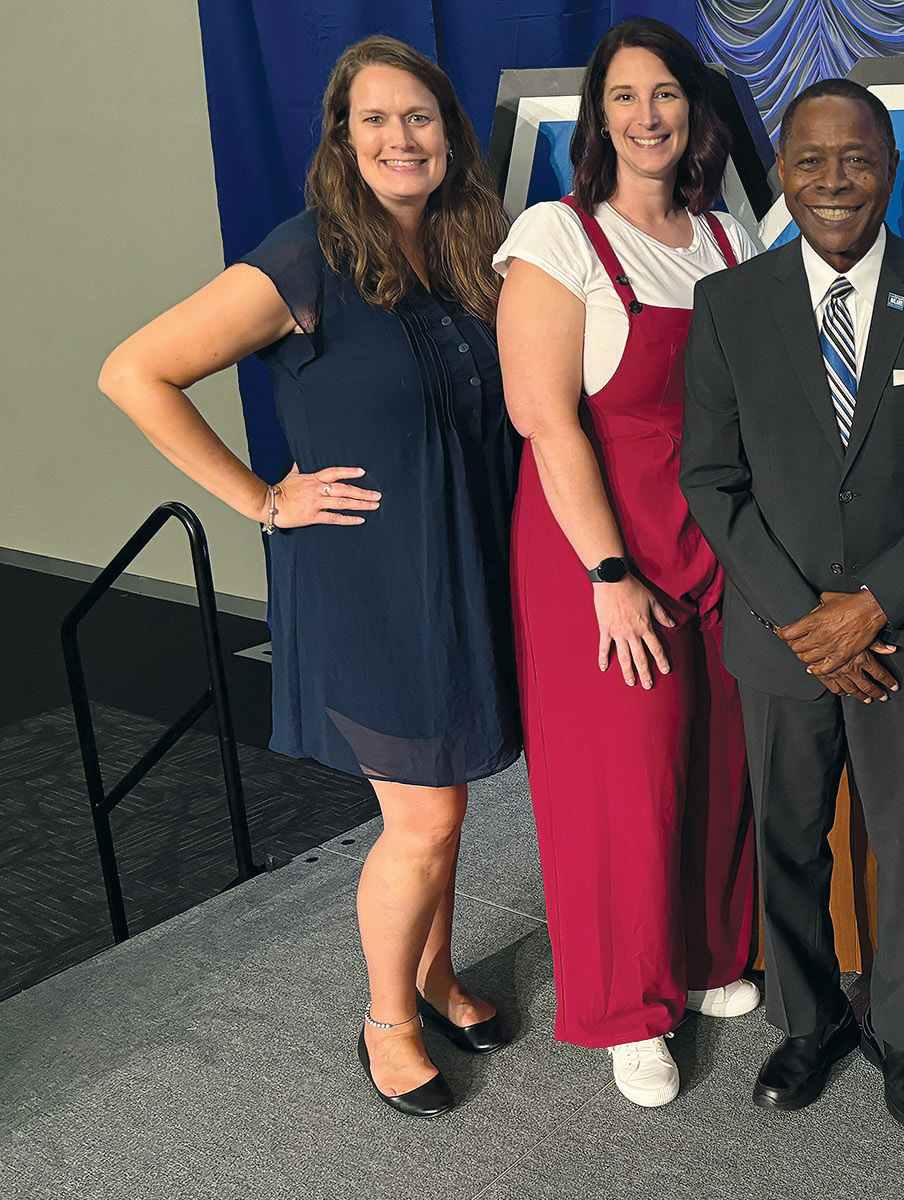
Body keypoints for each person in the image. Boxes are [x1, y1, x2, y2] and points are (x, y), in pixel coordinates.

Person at [99, 35, 518, 1116]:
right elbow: (133, 372)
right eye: (373, 120)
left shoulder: (470, 246)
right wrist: (259, 497)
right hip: (371, 584)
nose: (399, 137)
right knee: (420, 819)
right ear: (342, 140)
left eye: (418, 116)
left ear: (449, 133)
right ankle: (386, 1022)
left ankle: (431, 975)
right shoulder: (304, 257)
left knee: (446, 802)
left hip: (459, 569)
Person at [680, 77, 904, 1128]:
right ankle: (807, 1021)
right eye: (812, 159)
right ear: (783, 171)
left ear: (891, 171)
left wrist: (870, 606)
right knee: (787, 837)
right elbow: (710, 481)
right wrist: (803, 618)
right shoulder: (729, 305)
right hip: (782, 638)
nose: (834, 179)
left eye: (856, 159)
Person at [494, 18, 763, 1109]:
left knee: (714, 758)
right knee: (620, 780)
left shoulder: (730, 240)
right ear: (597, 119)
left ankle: (700, 960)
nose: (649, 115)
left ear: (696, 115)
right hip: (596, 547)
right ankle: (623, 1009)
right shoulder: (556, 237)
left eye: (668, 95)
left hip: (715, 539)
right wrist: (610, 575)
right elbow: (544, 420)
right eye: (625, 97)